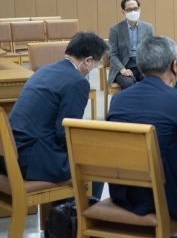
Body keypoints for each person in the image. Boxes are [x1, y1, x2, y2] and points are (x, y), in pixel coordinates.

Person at [108, 36, 177, 238]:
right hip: (167, 200)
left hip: (124, 195)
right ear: (174, 65)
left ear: (140, 66)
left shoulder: (118, 99)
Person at [3, 32, 108, 199]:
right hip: (31, 160)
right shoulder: (78, 82)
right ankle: (76, 220)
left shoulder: (44, 70)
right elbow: (65, 133)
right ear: (88, 61)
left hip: (9, 155)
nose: (97, 68)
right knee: (97, 161)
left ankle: (59, 217)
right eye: (98, 63)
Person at [107, 0, 154, 89]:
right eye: (129, 9)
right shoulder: (115, 29)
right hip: (124, 65)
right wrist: (122, 69)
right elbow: (112, 54)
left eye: (135, 9)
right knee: (128, 83)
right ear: (123, 12)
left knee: (152, 82)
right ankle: (131, 104)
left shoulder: (148, 27)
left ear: (139, 9)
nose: (133, 12)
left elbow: (151, 51)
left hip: (142, 65)